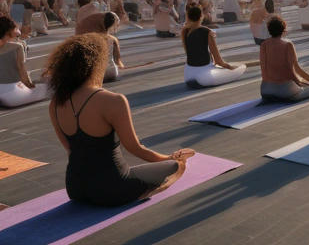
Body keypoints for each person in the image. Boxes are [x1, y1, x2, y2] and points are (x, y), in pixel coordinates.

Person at [47, 33, 194, 207]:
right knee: (176, 167)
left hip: (75, 188)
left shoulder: (55, 103)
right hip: (111, 190)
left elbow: (72, 150)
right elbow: (135, 148)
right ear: (96, 64)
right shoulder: (113, 101)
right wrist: (170, 158)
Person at [181, 5, 246, 89]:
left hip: (188, 75)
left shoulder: (185, 31)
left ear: (188, 17)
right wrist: (230, 67)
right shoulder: (207, 32)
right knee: (241, 68)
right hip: (203, 78)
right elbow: (219, 61)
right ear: (201, 16)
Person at [0, 15, 48, 107]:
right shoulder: (17, 46)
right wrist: (29, 85)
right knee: (45, 88)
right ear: (9, 30)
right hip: (12, 90)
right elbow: (21, 68)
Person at [100, 12, 126, 82]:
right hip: (112, 71)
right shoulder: (113, 39)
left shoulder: (94, 38)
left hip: (100, 73)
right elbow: (118, 60)